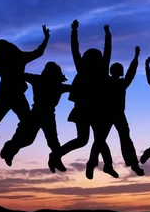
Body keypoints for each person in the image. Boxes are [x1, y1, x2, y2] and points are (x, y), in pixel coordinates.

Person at [49, 20, 117, 178]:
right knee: (89, 139)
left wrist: (75, 31)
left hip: (94, 109)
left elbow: (79, 51)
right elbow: (81, 51)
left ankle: (104, 165)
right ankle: (57, 156)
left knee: (94, 139)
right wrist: (107, 35)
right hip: (86, 109)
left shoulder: (94, 69)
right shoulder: (88, 69)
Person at [85, 46, 144, 180]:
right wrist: (135, 58)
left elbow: (131, 73)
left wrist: (135, 58)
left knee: (113, 139)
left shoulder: (116, 82)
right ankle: (92, 163)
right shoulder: (108, 81)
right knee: (103, 140)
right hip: (108, 113)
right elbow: (130, 74)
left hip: (115, 114)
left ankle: (132, 163)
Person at [0, 61, 71, 168]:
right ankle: (10, 148)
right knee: (28, 139)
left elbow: (75, 88)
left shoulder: (56, 85)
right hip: (37, 113)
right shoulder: (41, 80)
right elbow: (21, 75)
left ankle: (56, 160)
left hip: (47, 115)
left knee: (52, 140)